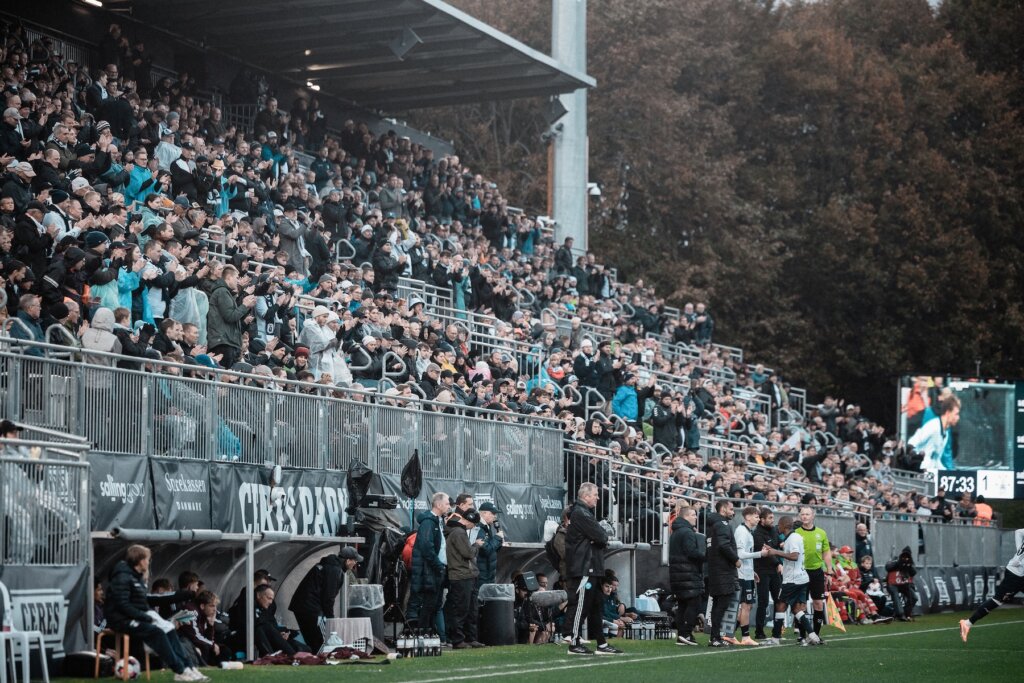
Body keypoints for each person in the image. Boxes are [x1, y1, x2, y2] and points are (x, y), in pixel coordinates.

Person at [103, 545, 209, 682]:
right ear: (140, 560)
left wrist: (149, 615)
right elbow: (122, 605)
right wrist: (145, 617)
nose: (148, 562)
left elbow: (142, 602)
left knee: (170, 628)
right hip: (121, 619)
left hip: (136, 615)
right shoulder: (122, 577)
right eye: (147, 559)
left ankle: (188, 667)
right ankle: (179, 670)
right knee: (157, 632)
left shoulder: (136, 577)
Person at [562, 482, 622, 655]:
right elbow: (602, 536)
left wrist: (597, 538)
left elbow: (599, 538)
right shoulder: (581, 513)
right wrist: (598, 538)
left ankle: (601, 644)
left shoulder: (583, 513)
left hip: (591, 567)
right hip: (584, 568)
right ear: (586, 496)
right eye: (595, 494)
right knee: (580, 605)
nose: (597, 497)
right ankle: (573, 642)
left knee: (596, 606)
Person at [960, 528, 1024, 641]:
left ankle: (968, 623)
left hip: (1019, 573)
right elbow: (1018, 532)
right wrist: (1019, 552)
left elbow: (1019, 532)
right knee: (997, 600)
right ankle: (967, 623)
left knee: (998, 600)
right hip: (1016, 574)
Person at [769, 516, 820, 646]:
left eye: (779, 524)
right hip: (802, 578)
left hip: (792, 579)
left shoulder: (792, 538)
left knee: (780, 605)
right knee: (796, 609)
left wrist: (775, 552)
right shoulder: (795, 537)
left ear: (785, 525)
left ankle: (775, 638)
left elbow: (794, 556)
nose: (777, 526)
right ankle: (813, 636)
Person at [288, 548, 346, 652]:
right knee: (323, 641)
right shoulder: (334, 569)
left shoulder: (327, 565)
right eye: (355, 560)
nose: (355, 564)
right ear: (348, 560)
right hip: (311, 608)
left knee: (311, 640)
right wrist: (330, 619)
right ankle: (321, 660)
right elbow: (328, 597)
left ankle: (313, 658)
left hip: (300, 607)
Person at [410, 492, 450, 633]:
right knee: (428, 605)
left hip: (436, 570)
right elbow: (427, 546)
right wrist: (438, 565)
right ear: (438, 505)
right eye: (447, 503)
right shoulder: (428, 522)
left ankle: (430, 635)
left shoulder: (438, 521)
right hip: (430, 571)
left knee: (435, 605)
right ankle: (423, 635)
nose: (449, 506)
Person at [444, 507, 484, 649]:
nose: (473, 528)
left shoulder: (457, 531)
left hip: (467, 574)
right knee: (461, 609)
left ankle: (470, 638)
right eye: (473, 525)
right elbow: (468, 553)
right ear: (470, 522)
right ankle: (458, 639)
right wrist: (476, 545)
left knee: (470, 609)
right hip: (461, 575)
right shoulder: (459, 532)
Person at [731, 505, 770, 645]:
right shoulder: (742, 531)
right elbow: (740, 554)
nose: (758, 519)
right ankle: (745, 637)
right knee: (746, 605)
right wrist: (760, 554)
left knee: (747, 606)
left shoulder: (747, 531)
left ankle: (729, 633)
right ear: (748, 517)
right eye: (756, 516)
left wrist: (751, 571)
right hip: (741, 575)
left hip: (746, 574)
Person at [793, 506, 833, 640]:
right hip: (801, 572)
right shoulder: (796, 532)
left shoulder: (821, 533)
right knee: (801, 605)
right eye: (802, 514)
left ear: (813, 516)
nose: (804, 516)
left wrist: (829, 569)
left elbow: (826, 552)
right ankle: (802, 635)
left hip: (817, 572)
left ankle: (816, 634)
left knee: (818, 604)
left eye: (807, 514)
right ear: (800, 516)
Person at [668, 504, 704, 646]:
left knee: (683, 604)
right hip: (687, 574)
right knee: (693, 603)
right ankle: (686, 633)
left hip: (678, 574)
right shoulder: (687, 532)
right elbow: (691, 553)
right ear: (686, 516)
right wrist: (706, 556)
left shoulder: (676, 532)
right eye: (693, 515)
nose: (695, 517)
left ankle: (682, 635)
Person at [705, 499, 740, 647]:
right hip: (723, 570)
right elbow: (724, 546)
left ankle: (715, 637)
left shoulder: (713, 525)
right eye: (731, 509)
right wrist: (735, 559)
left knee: (719, 604)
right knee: (722, 604)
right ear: (724, 509)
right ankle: (715, 637)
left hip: (714, 569)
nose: (733, 512)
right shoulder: (722, 524)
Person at [907, 394, 961, 475]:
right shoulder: (933, 426)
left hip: (931, 473)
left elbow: (936, 459)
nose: (958, 417)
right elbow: (912, 442)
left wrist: (949, 473)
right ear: (948, 412)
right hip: (921, 473)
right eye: (956, 414)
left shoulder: (945, 432)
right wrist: (917, 463)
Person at [753, 507, 783, 640]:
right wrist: (778, 563)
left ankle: (777, 632)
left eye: (773, 517)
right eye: (770, 518)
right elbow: (767, 551)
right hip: (763, 571)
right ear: (762, 520)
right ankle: (759, 632)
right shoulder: (757, 534)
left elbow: (776, 546)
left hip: (775, 571)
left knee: (779, 601)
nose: (773, 520)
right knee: (763, 602)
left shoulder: (774, 530)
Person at [884, 546, 918, 622]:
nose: (905, 558)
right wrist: (898, 563)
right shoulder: (896, 559)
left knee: (914, 597)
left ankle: (906, 613)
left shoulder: (910, 562)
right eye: (904, 556)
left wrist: (909, 566)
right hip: (892, 584)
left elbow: (913, 573)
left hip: (904, 584)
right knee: (895, 595)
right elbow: (887, 567)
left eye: (907, 556)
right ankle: (900, 614)